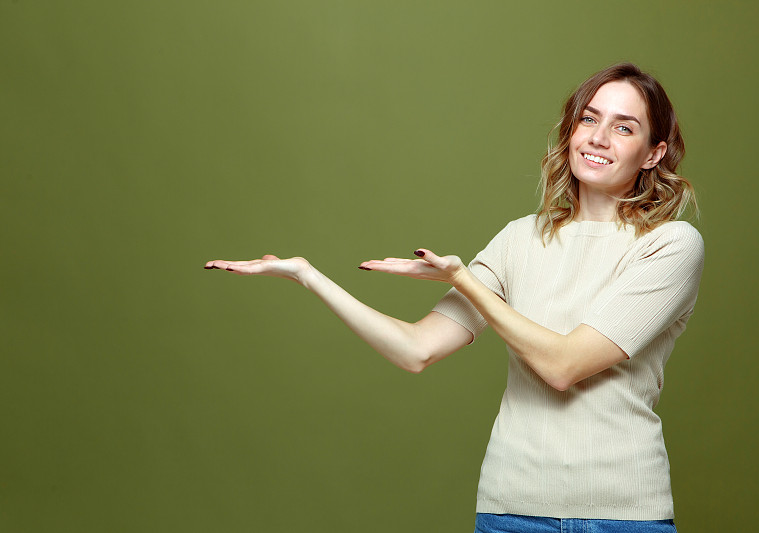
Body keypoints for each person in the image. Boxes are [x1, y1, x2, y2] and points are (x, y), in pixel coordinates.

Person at [205, 63, 703, 533]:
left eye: (623, 127)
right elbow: (415, 349)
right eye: (589, 118)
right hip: (511, 512)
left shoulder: (670, 244)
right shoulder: (519, 240)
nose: (597, 137)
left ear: (654, 152)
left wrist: (464, 280)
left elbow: (564, 366)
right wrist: (308, 276)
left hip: (622, 518)